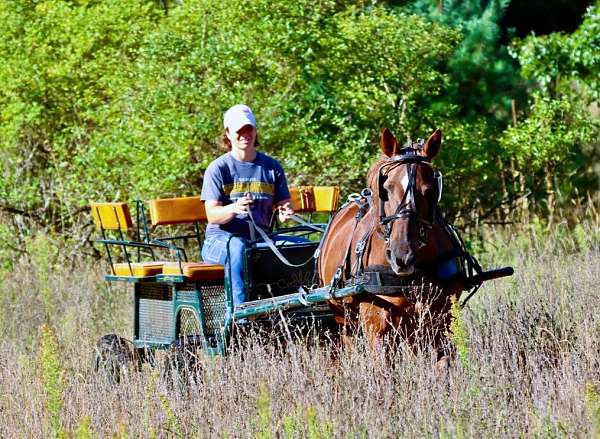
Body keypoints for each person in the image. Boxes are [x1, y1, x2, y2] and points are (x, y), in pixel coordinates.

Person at [201, 104, 298, 311]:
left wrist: (285, 212)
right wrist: (234, 208)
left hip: (262, 238)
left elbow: (284, 204)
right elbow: (212, 215)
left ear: (255, 131)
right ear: (228, 134)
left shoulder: (271, 167)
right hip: (219, 240)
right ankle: (241, 316)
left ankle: (300, 310)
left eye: (249, 129)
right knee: (238, 248)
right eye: (239, 131)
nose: (245, 135)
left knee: (301, 247)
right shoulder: (218, 168)